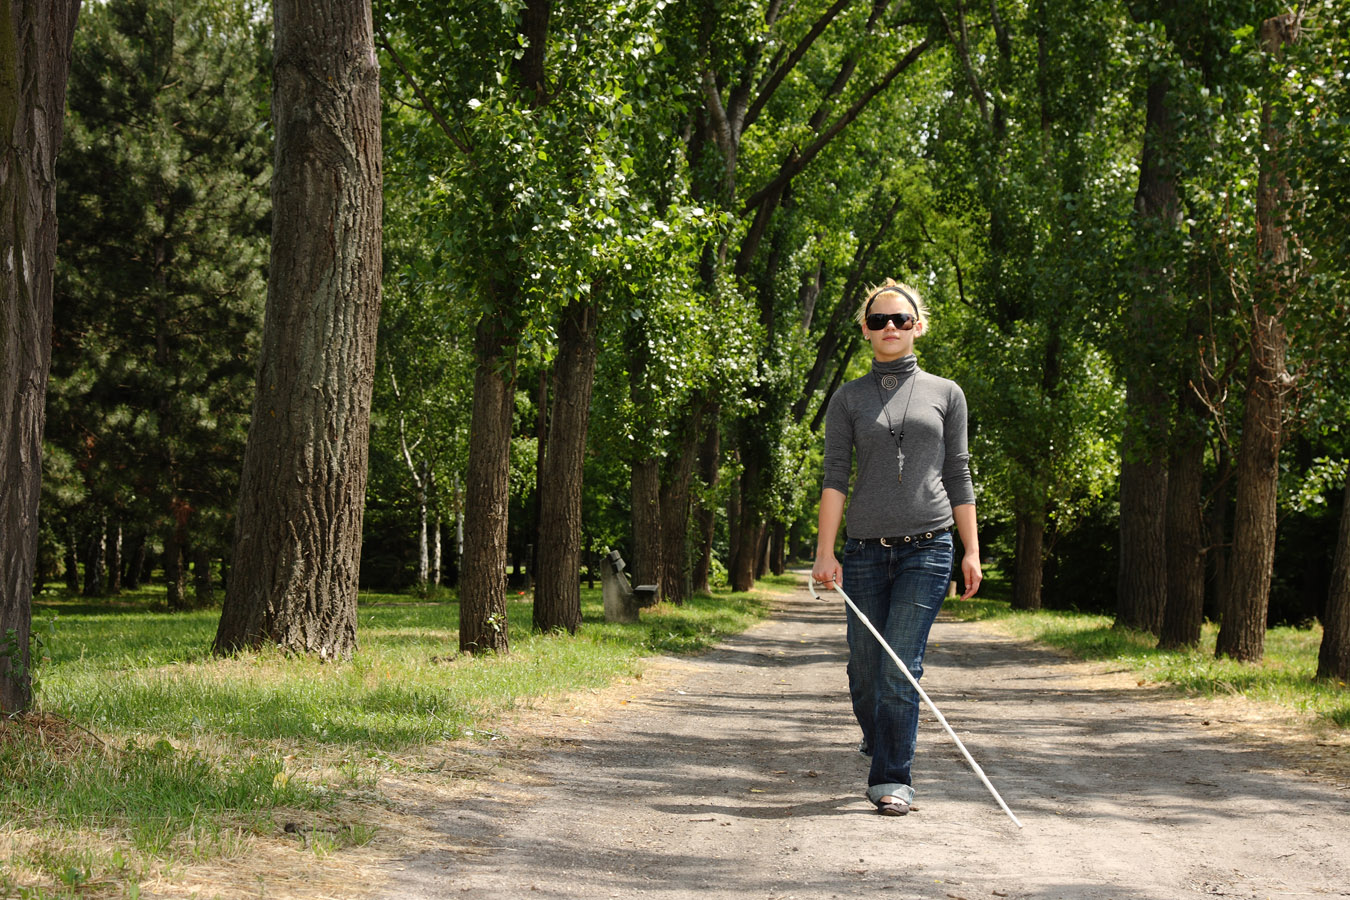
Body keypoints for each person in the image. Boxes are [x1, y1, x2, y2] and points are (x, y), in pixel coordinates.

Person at [811, 279, 982, 817]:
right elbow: (835, 476)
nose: (891, 327)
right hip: (863, 550)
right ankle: (880, 735)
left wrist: (971, 550)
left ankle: (891, 779)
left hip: (928, 547)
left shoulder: (946, 393)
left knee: (900, 667)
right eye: (880, 320)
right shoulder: (847, 398)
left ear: (917, 327)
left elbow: (959, 473)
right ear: (865, 329)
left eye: (901, 320)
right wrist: (825, 551)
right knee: (864, 669)